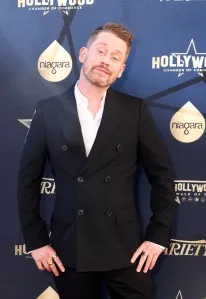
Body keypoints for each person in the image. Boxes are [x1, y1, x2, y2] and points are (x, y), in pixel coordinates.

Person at [17, 23, 175, 299]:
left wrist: (158, 236)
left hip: (127, 250)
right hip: (70, 248)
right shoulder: (49, 110)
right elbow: (27, 181)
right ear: (83, 54)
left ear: (121, 69)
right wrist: (36, 241)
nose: (106, 61)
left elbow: (162, 177)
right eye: (101, 51)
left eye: (116, 57)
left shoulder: (133, 111)